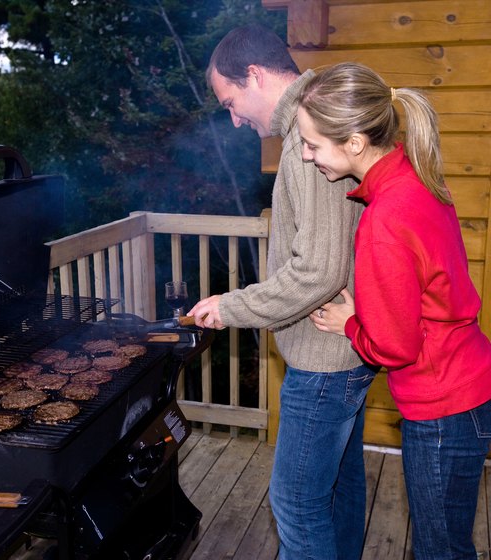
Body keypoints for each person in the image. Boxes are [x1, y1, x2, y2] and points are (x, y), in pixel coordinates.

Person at [187, 25, 377, 560]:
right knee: (339, 489)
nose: (234, 118)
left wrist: (233, 305)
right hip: (351, 347)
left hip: (324, 361)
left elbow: (317, 271)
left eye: (230, 102)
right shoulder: (326, 117)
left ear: (253, 75)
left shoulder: (306, 137)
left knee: (294, 503)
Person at [300, 61, 491, 560]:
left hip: (442, 406)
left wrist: (352, 324)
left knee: (440, 551)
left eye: (313, 144)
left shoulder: (384, 219)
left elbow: (395, 346)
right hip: (466, 384)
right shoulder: (415, 176)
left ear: (356, 143)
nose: (305, 155)